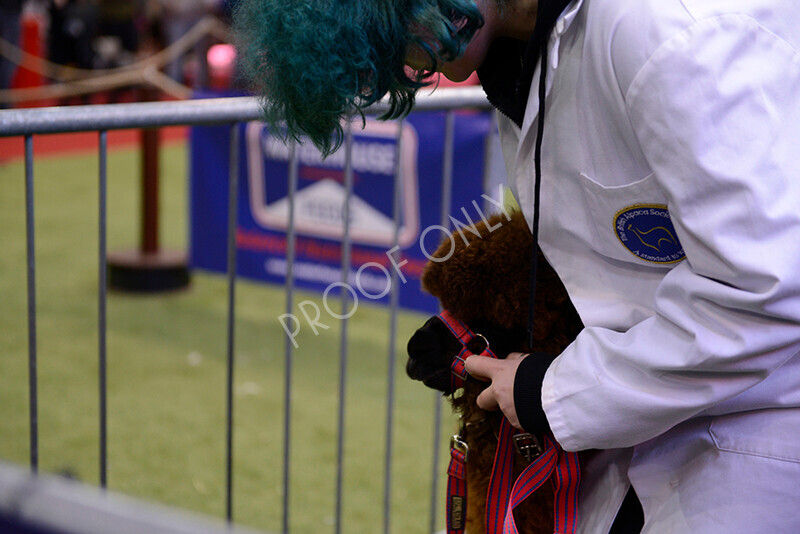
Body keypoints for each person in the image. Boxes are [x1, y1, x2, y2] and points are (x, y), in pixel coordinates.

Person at [233, 0, 800, 532]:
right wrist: (498, 327)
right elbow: (611, 233)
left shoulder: (670, 32)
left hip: (763, 421)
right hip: (670, 413)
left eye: (399, 29)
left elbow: (767, 294)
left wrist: (552, 389)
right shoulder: (518, 49)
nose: (417, 68)